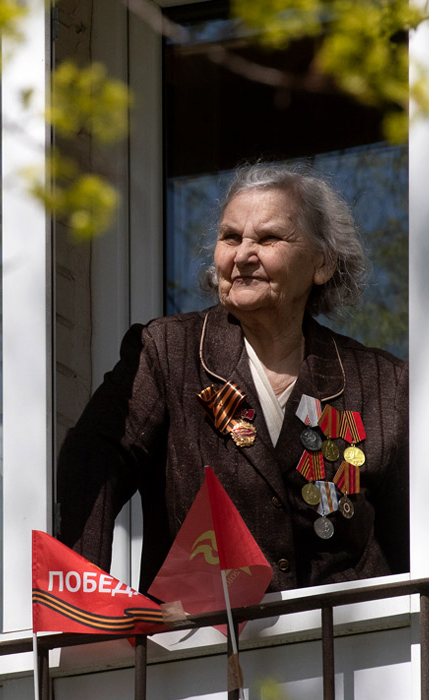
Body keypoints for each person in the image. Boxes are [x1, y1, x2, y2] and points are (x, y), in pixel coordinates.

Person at [57, 164, 409, 593]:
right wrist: (82, 606)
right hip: (203, 648)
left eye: (268, 238)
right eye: (230, 237)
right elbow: (94, 457)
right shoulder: (170, 352)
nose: (242, 255)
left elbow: (412, 537)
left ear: (322, 263)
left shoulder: (381, 383)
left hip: (347, 648)